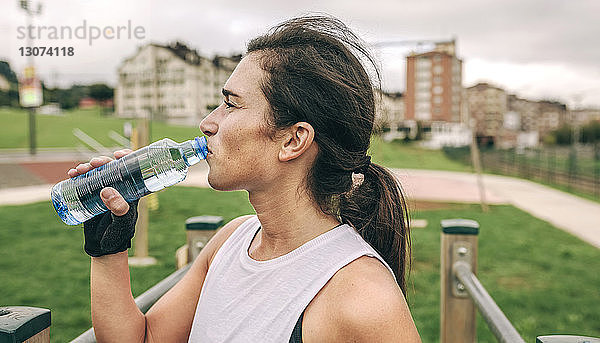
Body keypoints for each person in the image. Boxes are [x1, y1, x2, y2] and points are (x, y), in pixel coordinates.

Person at [68, 15, 421, 342]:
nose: (208, 122)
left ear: (293, 139)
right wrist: (108, 249)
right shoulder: (231, 241)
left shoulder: (363, 299)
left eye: (231, 104)